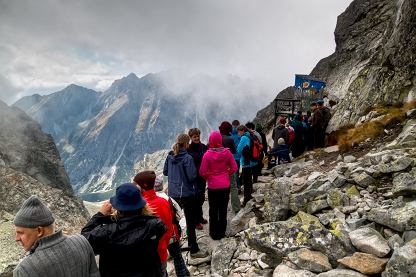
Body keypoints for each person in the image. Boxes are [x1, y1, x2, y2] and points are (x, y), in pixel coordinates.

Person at [82, 183, 166, 277]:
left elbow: (84, 239)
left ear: (118, 206)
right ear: (141, 204)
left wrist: (100, 215)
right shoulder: (155, 225)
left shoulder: (105, 232)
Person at [13, 196, 99, 277]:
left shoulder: (24, 270)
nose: (17, 238)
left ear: (39, 231)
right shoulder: (82, 241)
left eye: (20, 233)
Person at [163, 133, 208, 259]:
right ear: (187, 143)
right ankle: (194, 250)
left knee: (173, 221)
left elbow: (165, 172)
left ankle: (173, 249)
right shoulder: (187, 158)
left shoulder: (170, 155)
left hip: (173, 194)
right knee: (190, 221)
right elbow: (192, 176)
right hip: (187, 194)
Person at [134, 171, 174, 277]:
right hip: (161, 252)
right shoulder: (163, 202)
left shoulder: (139, 206)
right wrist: (163, 245)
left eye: (136, 184)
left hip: (145, 257)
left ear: (144, 185)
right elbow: (169, 228)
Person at [199, 131, 238, 240]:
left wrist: (209, 176)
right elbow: (234, 168)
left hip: (212, 186)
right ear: (220, 140)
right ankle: (222, 232)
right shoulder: (227, 153)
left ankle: (214, 233)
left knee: (213, 209)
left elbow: (202, 172)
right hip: (225, 185)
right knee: (223, 209)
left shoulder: (207, 155)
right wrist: (226, 173)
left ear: (210, 141)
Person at [153, 176, 190, 277]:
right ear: (161, 186)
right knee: (177, 256)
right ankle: (184, 274)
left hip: (158, 237)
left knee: (161, 263)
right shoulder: (168, 199)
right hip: (172, 233)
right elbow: (179, 215)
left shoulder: (148, 201)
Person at [187, 128, 208, 230]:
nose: (196, 138)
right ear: (191, 138)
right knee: (195, 199)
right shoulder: (189, 149)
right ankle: (196, 221)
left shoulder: (204, 147)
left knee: (201, 197)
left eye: (197, 136)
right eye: (194, 136)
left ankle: (200, 217)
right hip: (193, 178)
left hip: (202, 177)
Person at [219, 121, 240, 214]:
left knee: (221, 188)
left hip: (218, 167)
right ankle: (236, 208)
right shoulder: (230, 139)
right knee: (233, 187)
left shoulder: (216, 138)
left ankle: (222, 207)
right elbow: (234, 151)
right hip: (228, 166)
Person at [236, 125, 257, 206]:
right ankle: (249, 196)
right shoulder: (250, 135)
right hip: (252, 161)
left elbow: (238, 150)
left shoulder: (244, 138)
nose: (238, 133)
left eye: (238, 131)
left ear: (242, 131)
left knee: (246, 181)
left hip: (246, 162)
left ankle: (246, 199)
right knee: (249, 180)